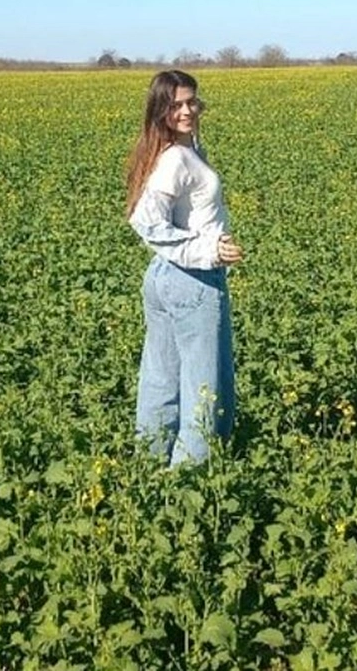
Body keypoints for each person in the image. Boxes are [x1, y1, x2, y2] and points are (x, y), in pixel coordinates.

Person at [125, 70, 244, 467]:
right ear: (161, 110)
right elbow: (145, 221)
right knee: (203, 386)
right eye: (175, 105)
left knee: (161, 376)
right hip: (192, 281)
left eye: (192, 101)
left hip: (164, 277)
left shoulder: (179, 149)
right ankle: (189, 481)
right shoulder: (175, 158)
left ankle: (149, 461)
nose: (187, 110)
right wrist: (207, 248)